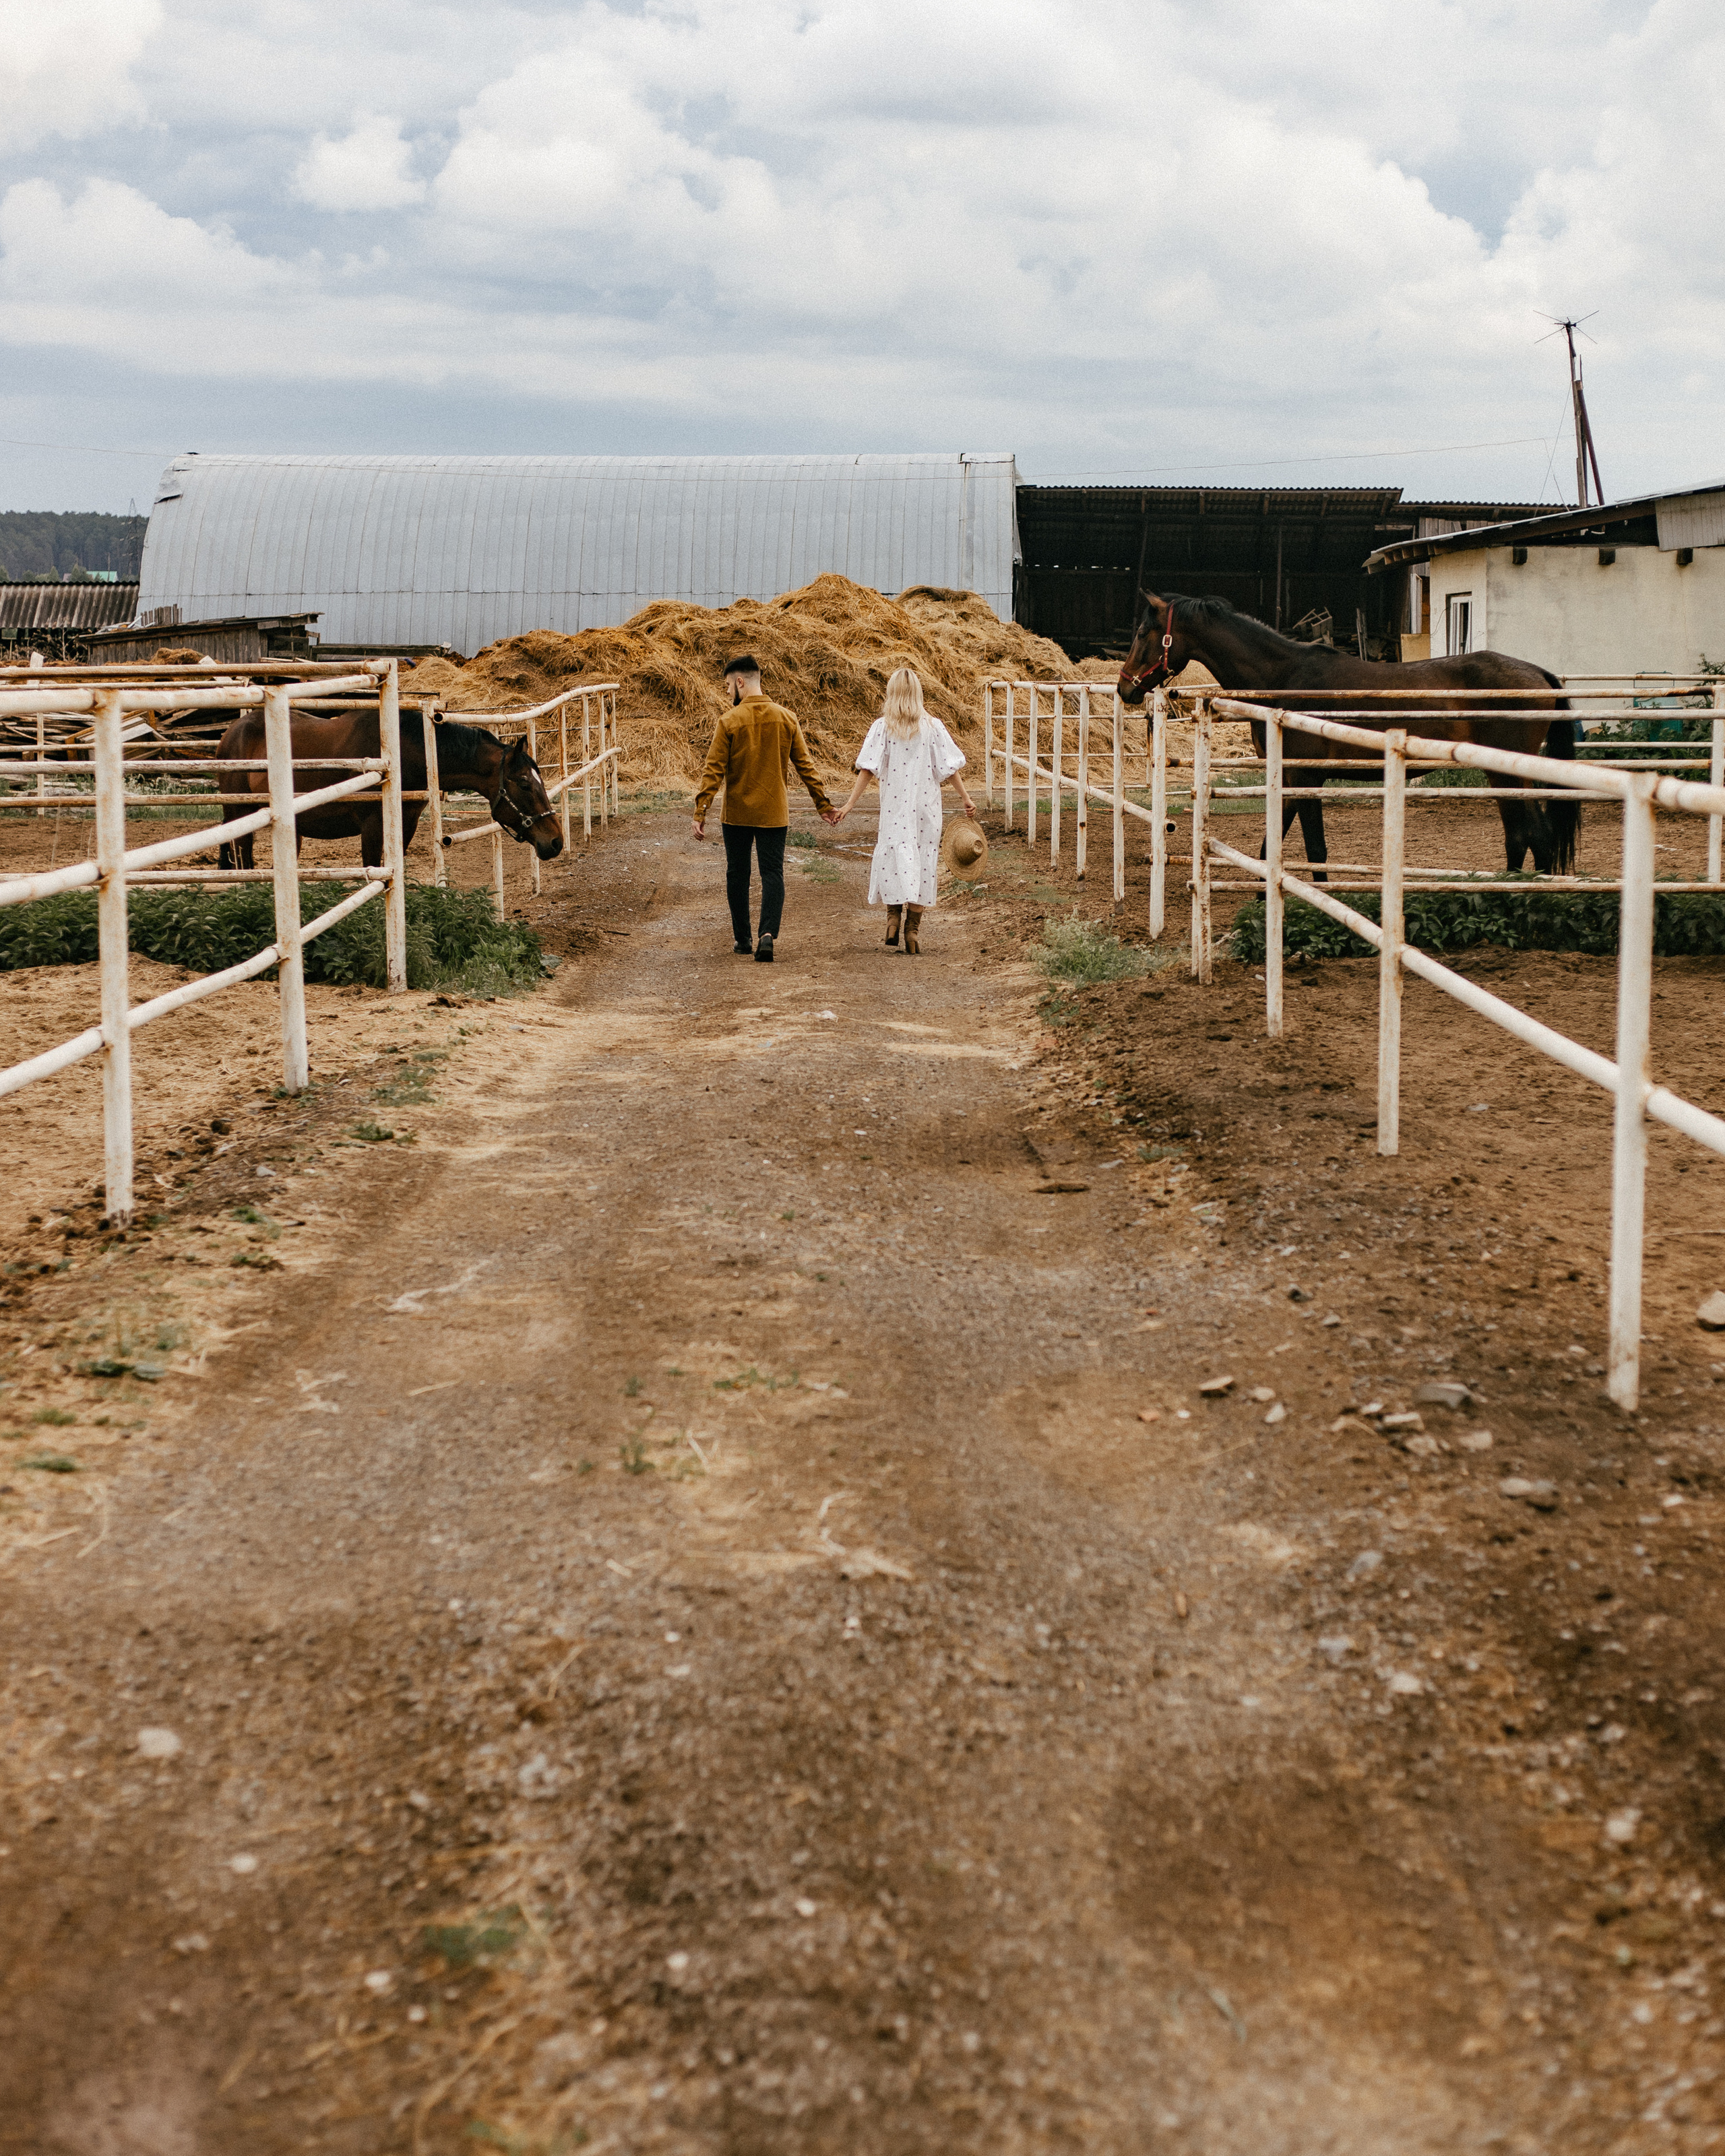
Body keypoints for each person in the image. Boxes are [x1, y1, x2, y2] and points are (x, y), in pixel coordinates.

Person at [692, 654, 838, 963]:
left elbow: (713, 770)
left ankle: (743, 939)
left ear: (740, 682)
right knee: (773, 873)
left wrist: (701, 811)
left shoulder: (729, 721)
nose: (728, 692)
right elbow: (806, 766)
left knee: (738, 874)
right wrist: (822, 804)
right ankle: (767, 936)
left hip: (737, 816)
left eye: (729, 686)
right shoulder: (787, 717)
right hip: (774, 813)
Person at [833, 667, 976, 955]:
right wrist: (966, 798)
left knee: (895, 859)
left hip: (895, 810)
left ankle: (893, 920)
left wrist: (849, 804)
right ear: (918, 694)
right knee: (922, 862)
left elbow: (867, 770)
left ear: (892, 694)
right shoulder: (933, 727)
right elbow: (948, 769)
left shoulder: (882, 728)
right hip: (926, 810)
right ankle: (913, 932)